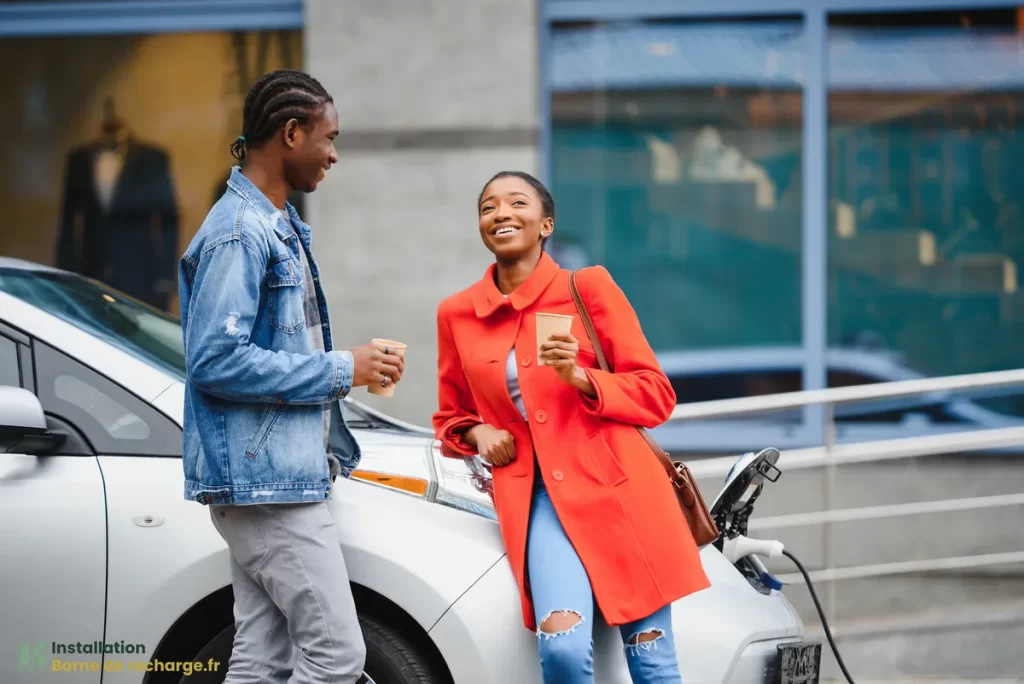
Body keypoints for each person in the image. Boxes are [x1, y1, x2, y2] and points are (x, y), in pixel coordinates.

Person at [432, 171, 711, 683]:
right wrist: (479, 434)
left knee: (652, 661)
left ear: (546, 224)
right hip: (536, 500)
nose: (501, 214)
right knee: (561, 651)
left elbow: (656, 394)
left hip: (621, 493)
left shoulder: (589, 288)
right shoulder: (457, 314)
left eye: (517, 202)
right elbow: (451, 415)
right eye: (488, 207)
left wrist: (582, 377)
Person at [178, 69, 403, 684]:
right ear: (291, 131)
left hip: (274, 477)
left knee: (264, 656)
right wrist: (342, 368)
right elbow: (214, 360)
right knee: (336, 656)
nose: (333, 154)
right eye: (328, 138)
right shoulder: (238, 232)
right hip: (266, 485)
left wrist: (352, 369)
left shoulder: (275, 225)